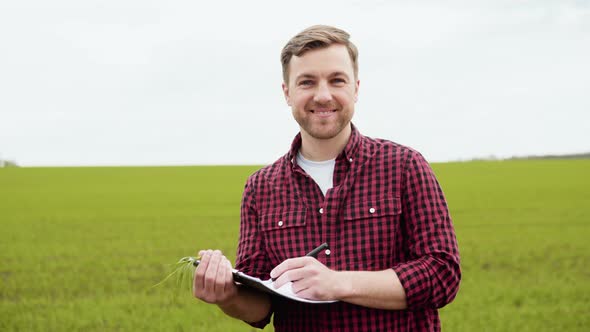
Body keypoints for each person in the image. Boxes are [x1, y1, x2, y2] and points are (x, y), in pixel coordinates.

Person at [193, 25, 461, 332]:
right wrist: (226, 295)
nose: (322, 95)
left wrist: (337, 283)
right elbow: (260, 305)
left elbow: (443, 275)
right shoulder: (261, 188)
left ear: (355, 88)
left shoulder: (405, 167)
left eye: (336, 80)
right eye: (307, 82)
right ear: (287, 93)